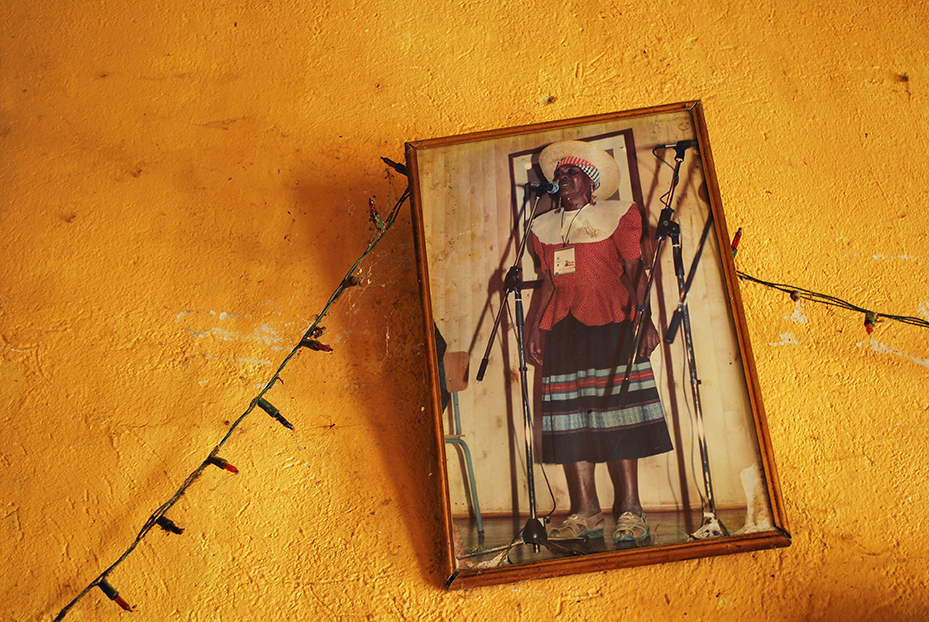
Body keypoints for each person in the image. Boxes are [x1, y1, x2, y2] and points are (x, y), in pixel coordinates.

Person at [526, 140, 672, 544]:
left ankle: (632, 510)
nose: (562, 178)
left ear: (591, 183)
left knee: (618, 414)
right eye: (559, 173)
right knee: (571, 418)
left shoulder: (617, 215)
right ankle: (586, 510)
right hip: (563, 326)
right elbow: (547, 281)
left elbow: (635, 270)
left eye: (571, 172)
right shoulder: (542, 227)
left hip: (613, 320)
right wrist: (536, 326)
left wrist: (645, 319)